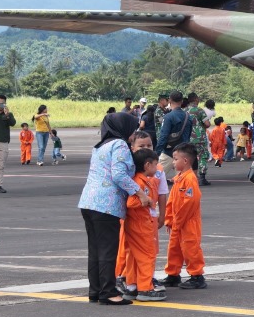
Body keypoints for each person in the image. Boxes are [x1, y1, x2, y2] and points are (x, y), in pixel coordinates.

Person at [79, 111, 151, 305]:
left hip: (88, 202)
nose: (133, 134)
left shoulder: (100, 146)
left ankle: (95, 290)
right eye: (132, 129)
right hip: (106, 204)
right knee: (108, 249)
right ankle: (109, 293)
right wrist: (140, 193)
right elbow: (119, 175)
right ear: (122, 128)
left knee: (95, 249)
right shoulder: (119, 144)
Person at [120, 149, 165, 302]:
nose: (157, 168)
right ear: (147, 165)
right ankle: (145, 288)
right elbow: (131, 203)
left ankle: (132, 286)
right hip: (140, 224)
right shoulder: (140, 183)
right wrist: (146, 201)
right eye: (155, 164)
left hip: (136, 223)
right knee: (147, 255)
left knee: (134, 256)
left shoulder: (140, 180)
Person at [164, 143, 207, 290]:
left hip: (188, 222)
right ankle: (173, 274)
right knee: (174, 248)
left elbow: (190, 202)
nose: (173, 162)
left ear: (186, 160)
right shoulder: (179, 178)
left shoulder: (190, 179)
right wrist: (169, 219)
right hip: (178, 221)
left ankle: (197, 276)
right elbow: (171, 201)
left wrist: (178, 220)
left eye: (176, 159)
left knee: (190, 248)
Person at [155, 92, 190, 174]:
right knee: (181, 179)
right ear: (182, 101)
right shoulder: (188, 117)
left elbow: (163, 136)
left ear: (170, 100)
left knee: (155, 176)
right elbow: (188, 136)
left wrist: (157, 152)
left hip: (168, 151)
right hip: (183, 152)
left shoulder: (168, 117)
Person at [185, 93, 211, 187]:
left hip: (188, 137)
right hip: (199, 137)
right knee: (203, 156)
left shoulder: (185, 111)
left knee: (190, 157)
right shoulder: (199, 110)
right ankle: (202, 178)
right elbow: (207, 124)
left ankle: (189, 177)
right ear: (196, 99)